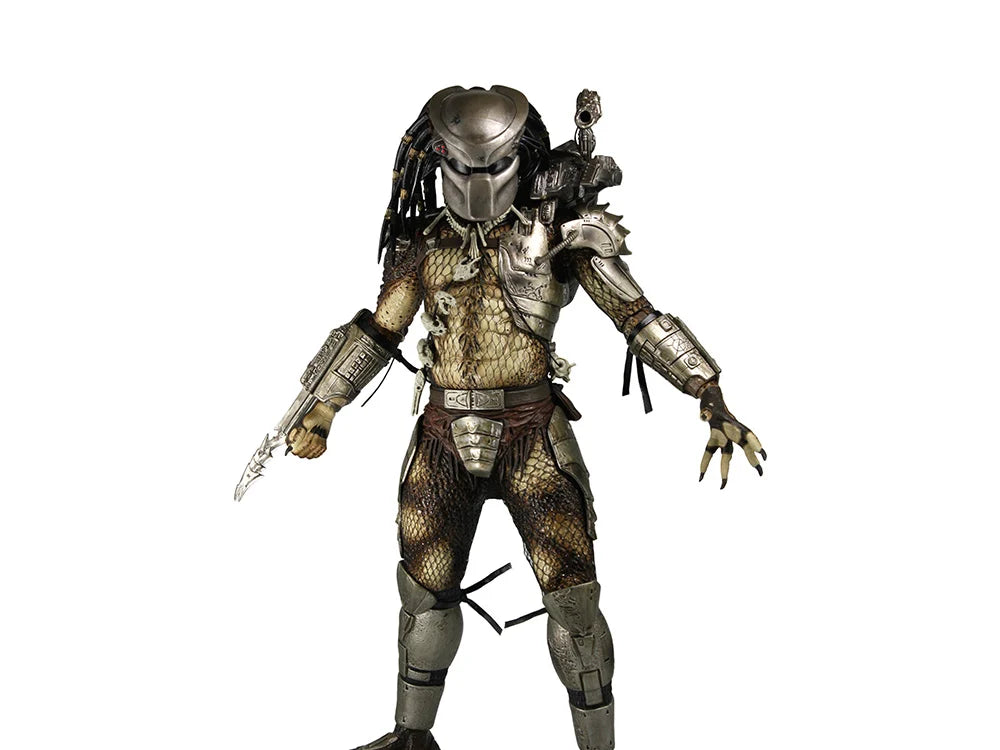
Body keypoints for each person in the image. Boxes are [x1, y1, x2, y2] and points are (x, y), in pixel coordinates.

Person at [283, 85, 765, 750]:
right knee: (423, 592)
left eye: (492, 165)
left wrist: (707, 391)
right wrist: (322, 408)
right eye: (462, 166)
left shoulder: (563, 237)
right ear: (440, 159)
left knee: (574, 603)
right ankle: (411, 737)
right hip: (442, 435)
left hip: (534, 435)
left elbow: (637, 316)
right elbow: (379, 330)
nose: (477, 180)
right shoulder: (424, 246)